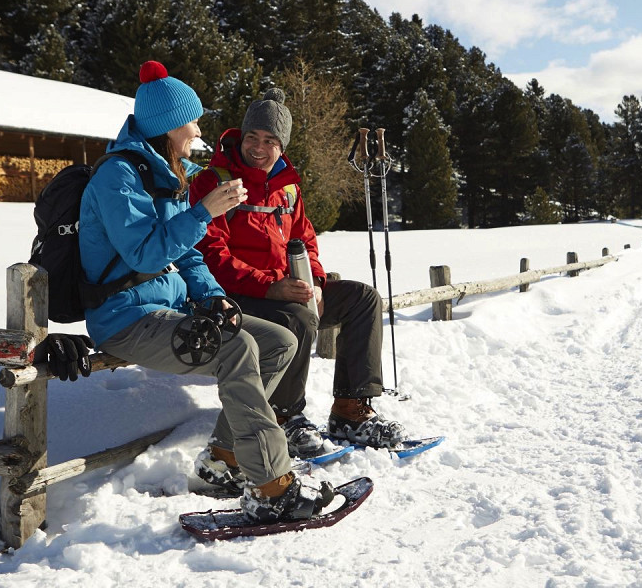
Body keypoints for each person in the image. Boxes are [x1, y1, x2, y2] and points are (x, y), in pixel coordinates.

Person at [78, 61, 333, 523]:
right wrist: (203, 212)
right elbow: (145, 255)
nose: (199, 128)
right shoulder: (119, 178)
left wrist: (216, 298)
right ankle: (272, 484)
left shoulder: (168, 172)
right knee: (236, 348)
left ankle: (224, 458)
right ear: (171, 125)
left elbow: (190, 255)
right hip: (127, 319)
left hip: (169, 308)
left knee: (280, 341)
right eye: (192, 119)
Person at [189, 88, 406, 458]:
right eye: (253, 137)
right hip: (235, 296)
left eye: (270, 140)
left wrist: (317, 282)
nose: (259, 147)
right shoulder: (214, 181)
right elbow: (212, 255)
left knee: (363, 298)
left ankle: (350, 411)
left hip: (285, 288)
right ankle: (285, 416)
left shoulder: (287, 187)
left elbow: (305, 239)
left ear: (282, 145)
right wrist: (272, 288)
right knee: (299, 317)